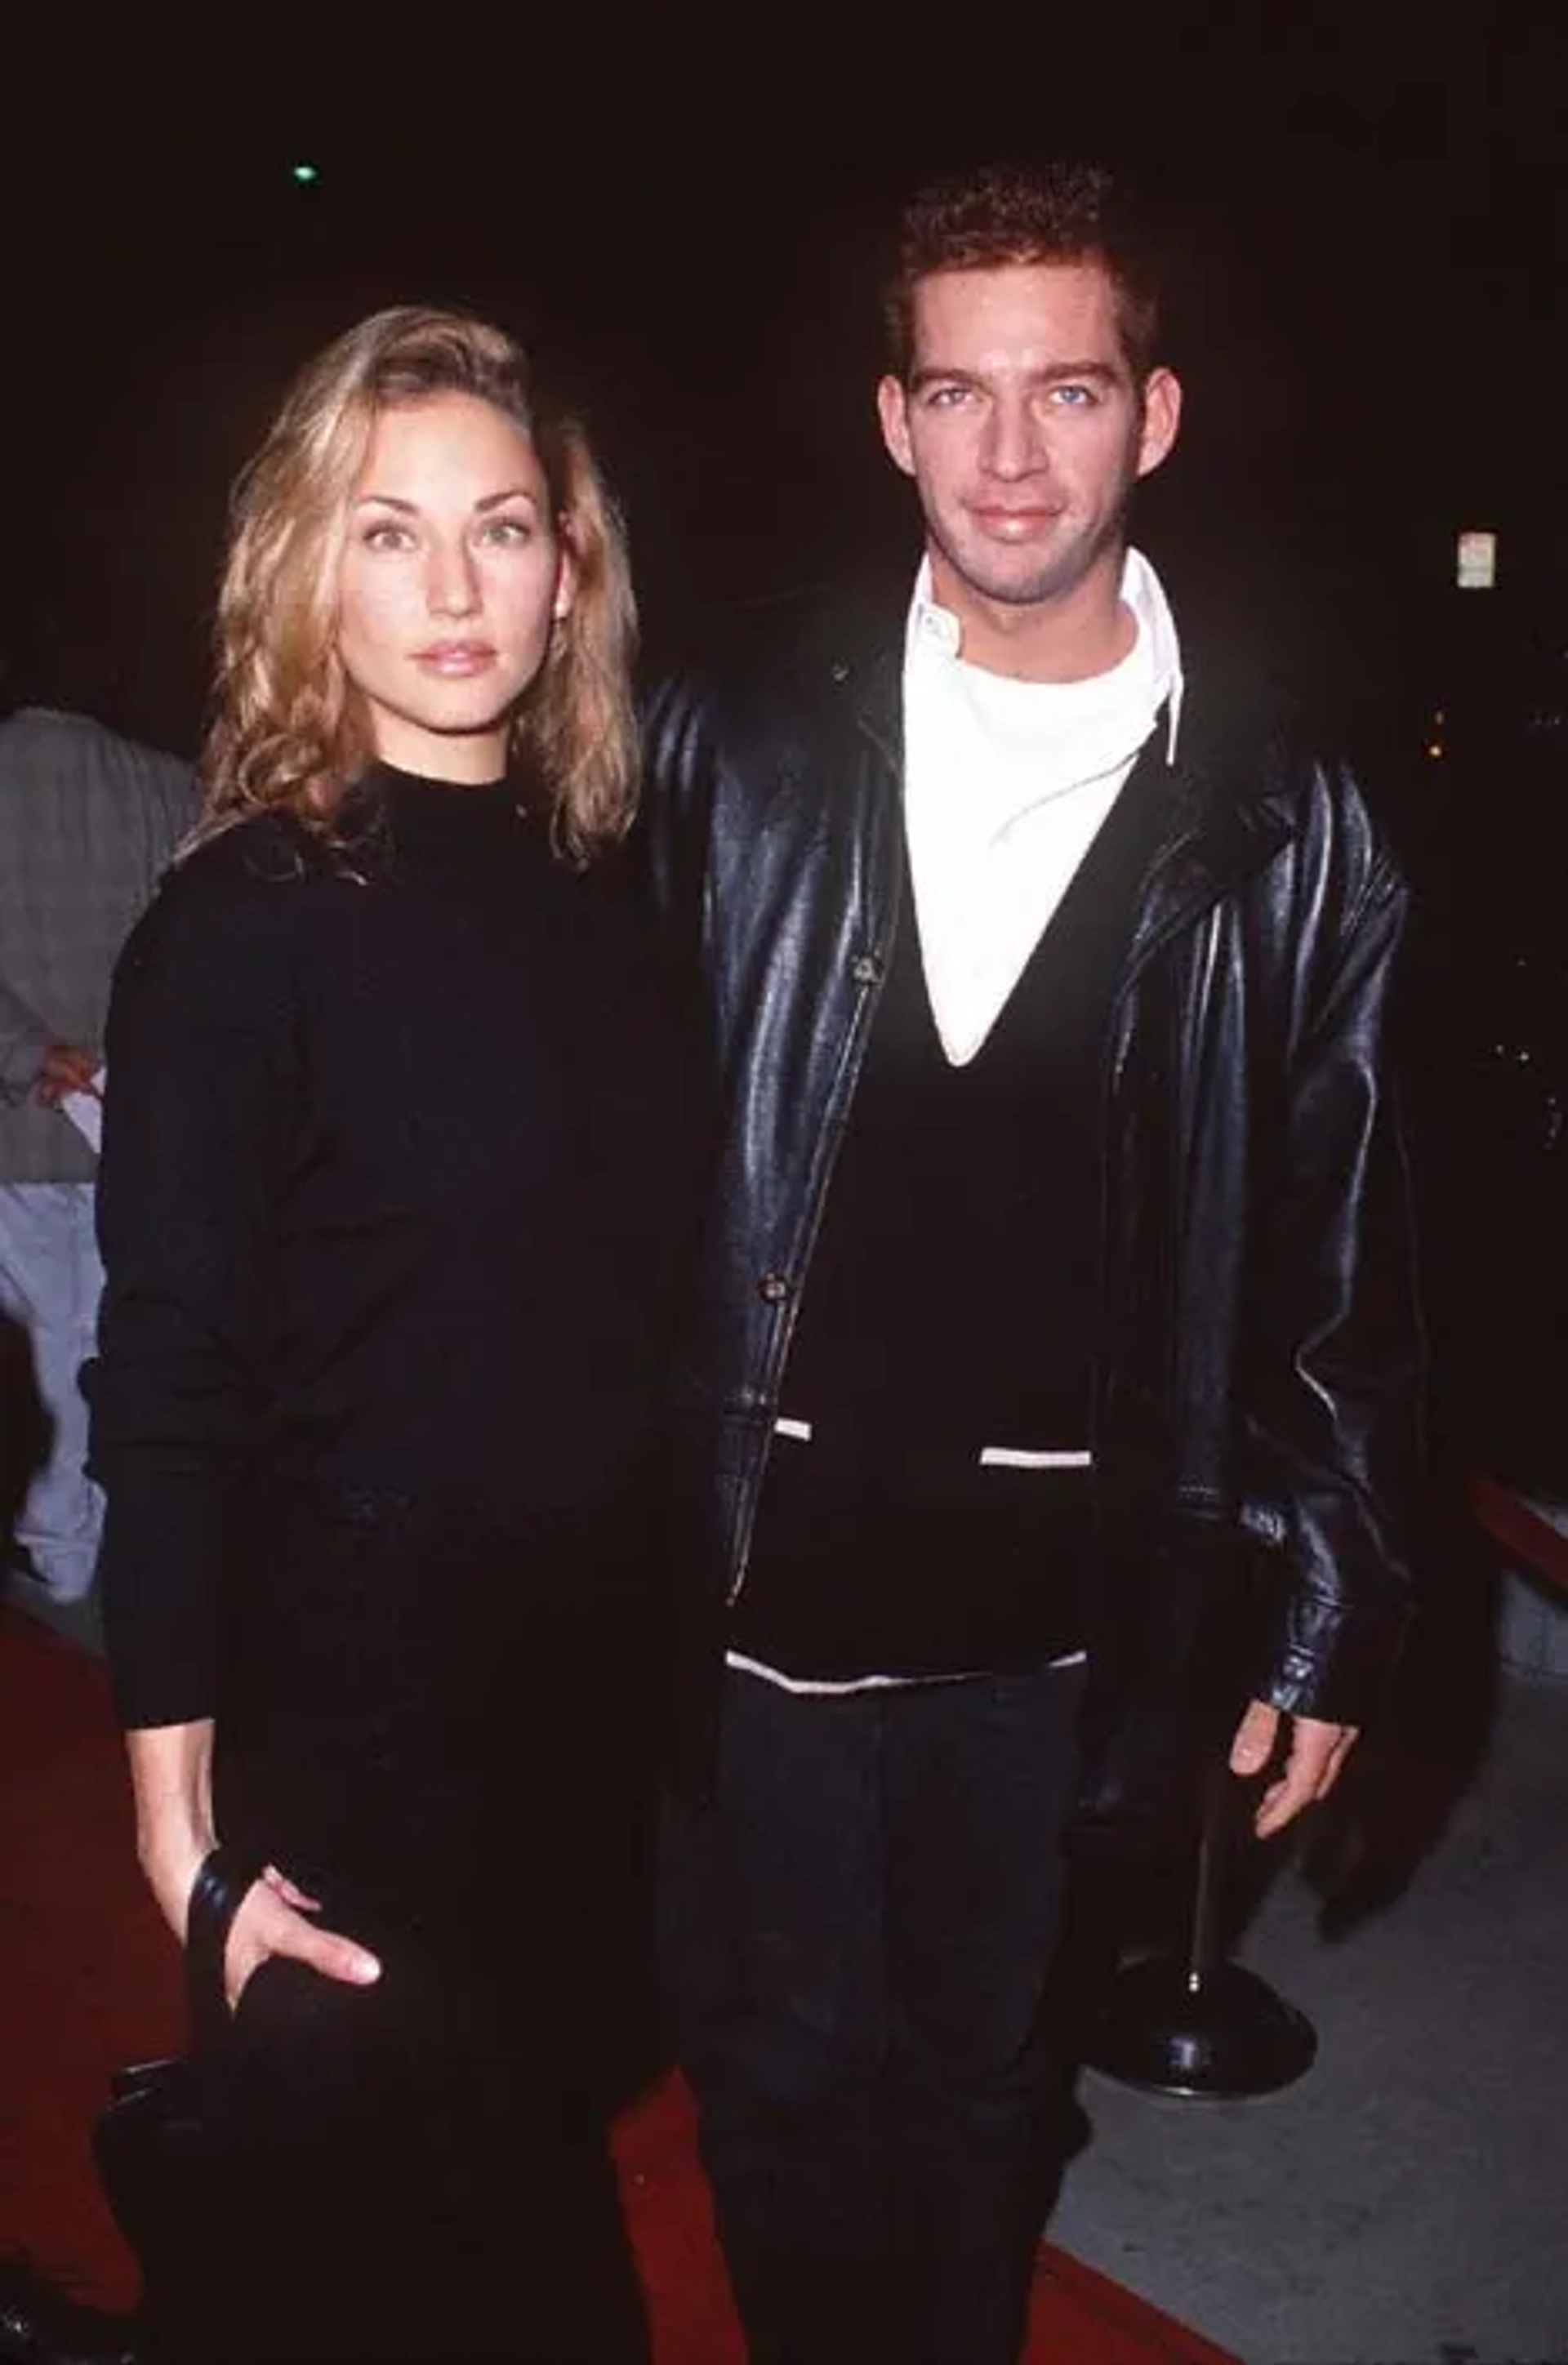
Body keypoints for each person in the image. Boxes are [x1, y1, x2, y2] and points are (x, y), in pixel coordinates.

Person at [645, 162, 1423, 2365]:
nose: (1009, 455)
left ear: (1150, 416)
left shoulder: (1288, 804)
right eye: (960, 395)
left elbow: (1340, 1218)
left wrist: (1342, 1587)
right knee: (776, 2085)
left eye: (1064, 392)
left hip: (1060, 1617)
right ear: (891, 417)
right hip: (752, 1582)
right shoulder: (737, 733)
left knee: (983, 2092)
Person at [85, 307, 700, 2364]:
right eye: (389, 529)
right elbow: (164, 1392)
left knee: (519, 2236)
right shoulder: (238, 929)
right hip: (348, 1757)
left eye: (501, 525)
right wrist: (184, 1836)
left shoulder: (612, 898)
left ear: (569, 564)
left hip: (574, 1751)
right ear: (304, 568)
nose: (453, 587)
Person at [0, 700, 194, 1614]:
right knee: (95, 1336)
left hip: (23, 1127)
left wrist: (29, 1054)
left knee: (61, 1346)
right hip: (135, 1123)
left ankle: (62, 1547)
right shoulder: (167, 785)